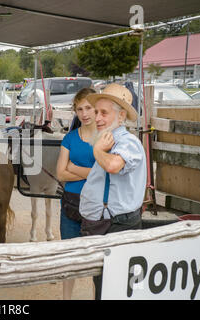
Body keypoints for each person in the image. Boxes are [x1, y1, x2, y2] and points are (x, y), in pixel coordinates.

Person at [80, 83, 147, 300]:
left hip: (116, 226)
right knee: (103, 285)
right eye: (96, 112)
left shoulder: (128, 142)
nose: (97, 117)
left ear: (121, 117)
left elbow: (113, 166)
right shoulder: (108, 139)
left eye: (103, 113)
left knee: (113, 288)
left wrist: (98, 150)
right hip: (104, 225)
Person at [56, 87, 97, 300]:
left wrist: (73, 167)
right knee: (68, 258)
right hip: (71, 204)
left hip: (97, 206)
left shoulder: (105, 138)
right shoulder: (70, 138)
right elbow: (60, 173)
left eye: (89, 108)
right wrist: (92, 173)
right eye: (80, 109)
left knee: (95, 260)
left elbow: (105, 175)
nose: (84, 113)